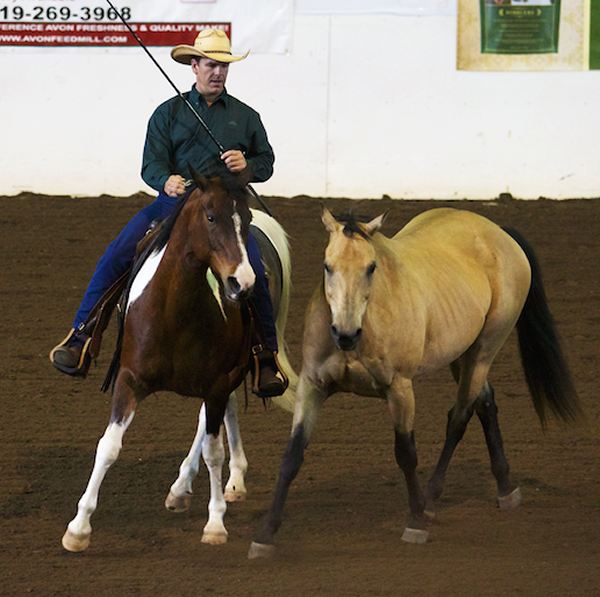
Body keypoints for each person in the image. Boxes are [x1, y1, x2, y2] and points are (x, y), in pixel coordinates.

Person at [49, 28, 287, 397]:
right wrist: (166, 180)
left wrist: (247, 167)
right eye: (210, 65)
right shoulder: (167, 113)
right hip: (172, 207)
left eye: (224, 66)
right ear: (194, 66)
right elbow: (151, 165)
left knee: (254, 274)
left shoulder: (246, 116)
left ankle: (265, 357)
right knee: (115, 256)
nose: (218, 73)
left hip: (224, 213)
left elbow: (267, 162)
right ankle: (82, 337)